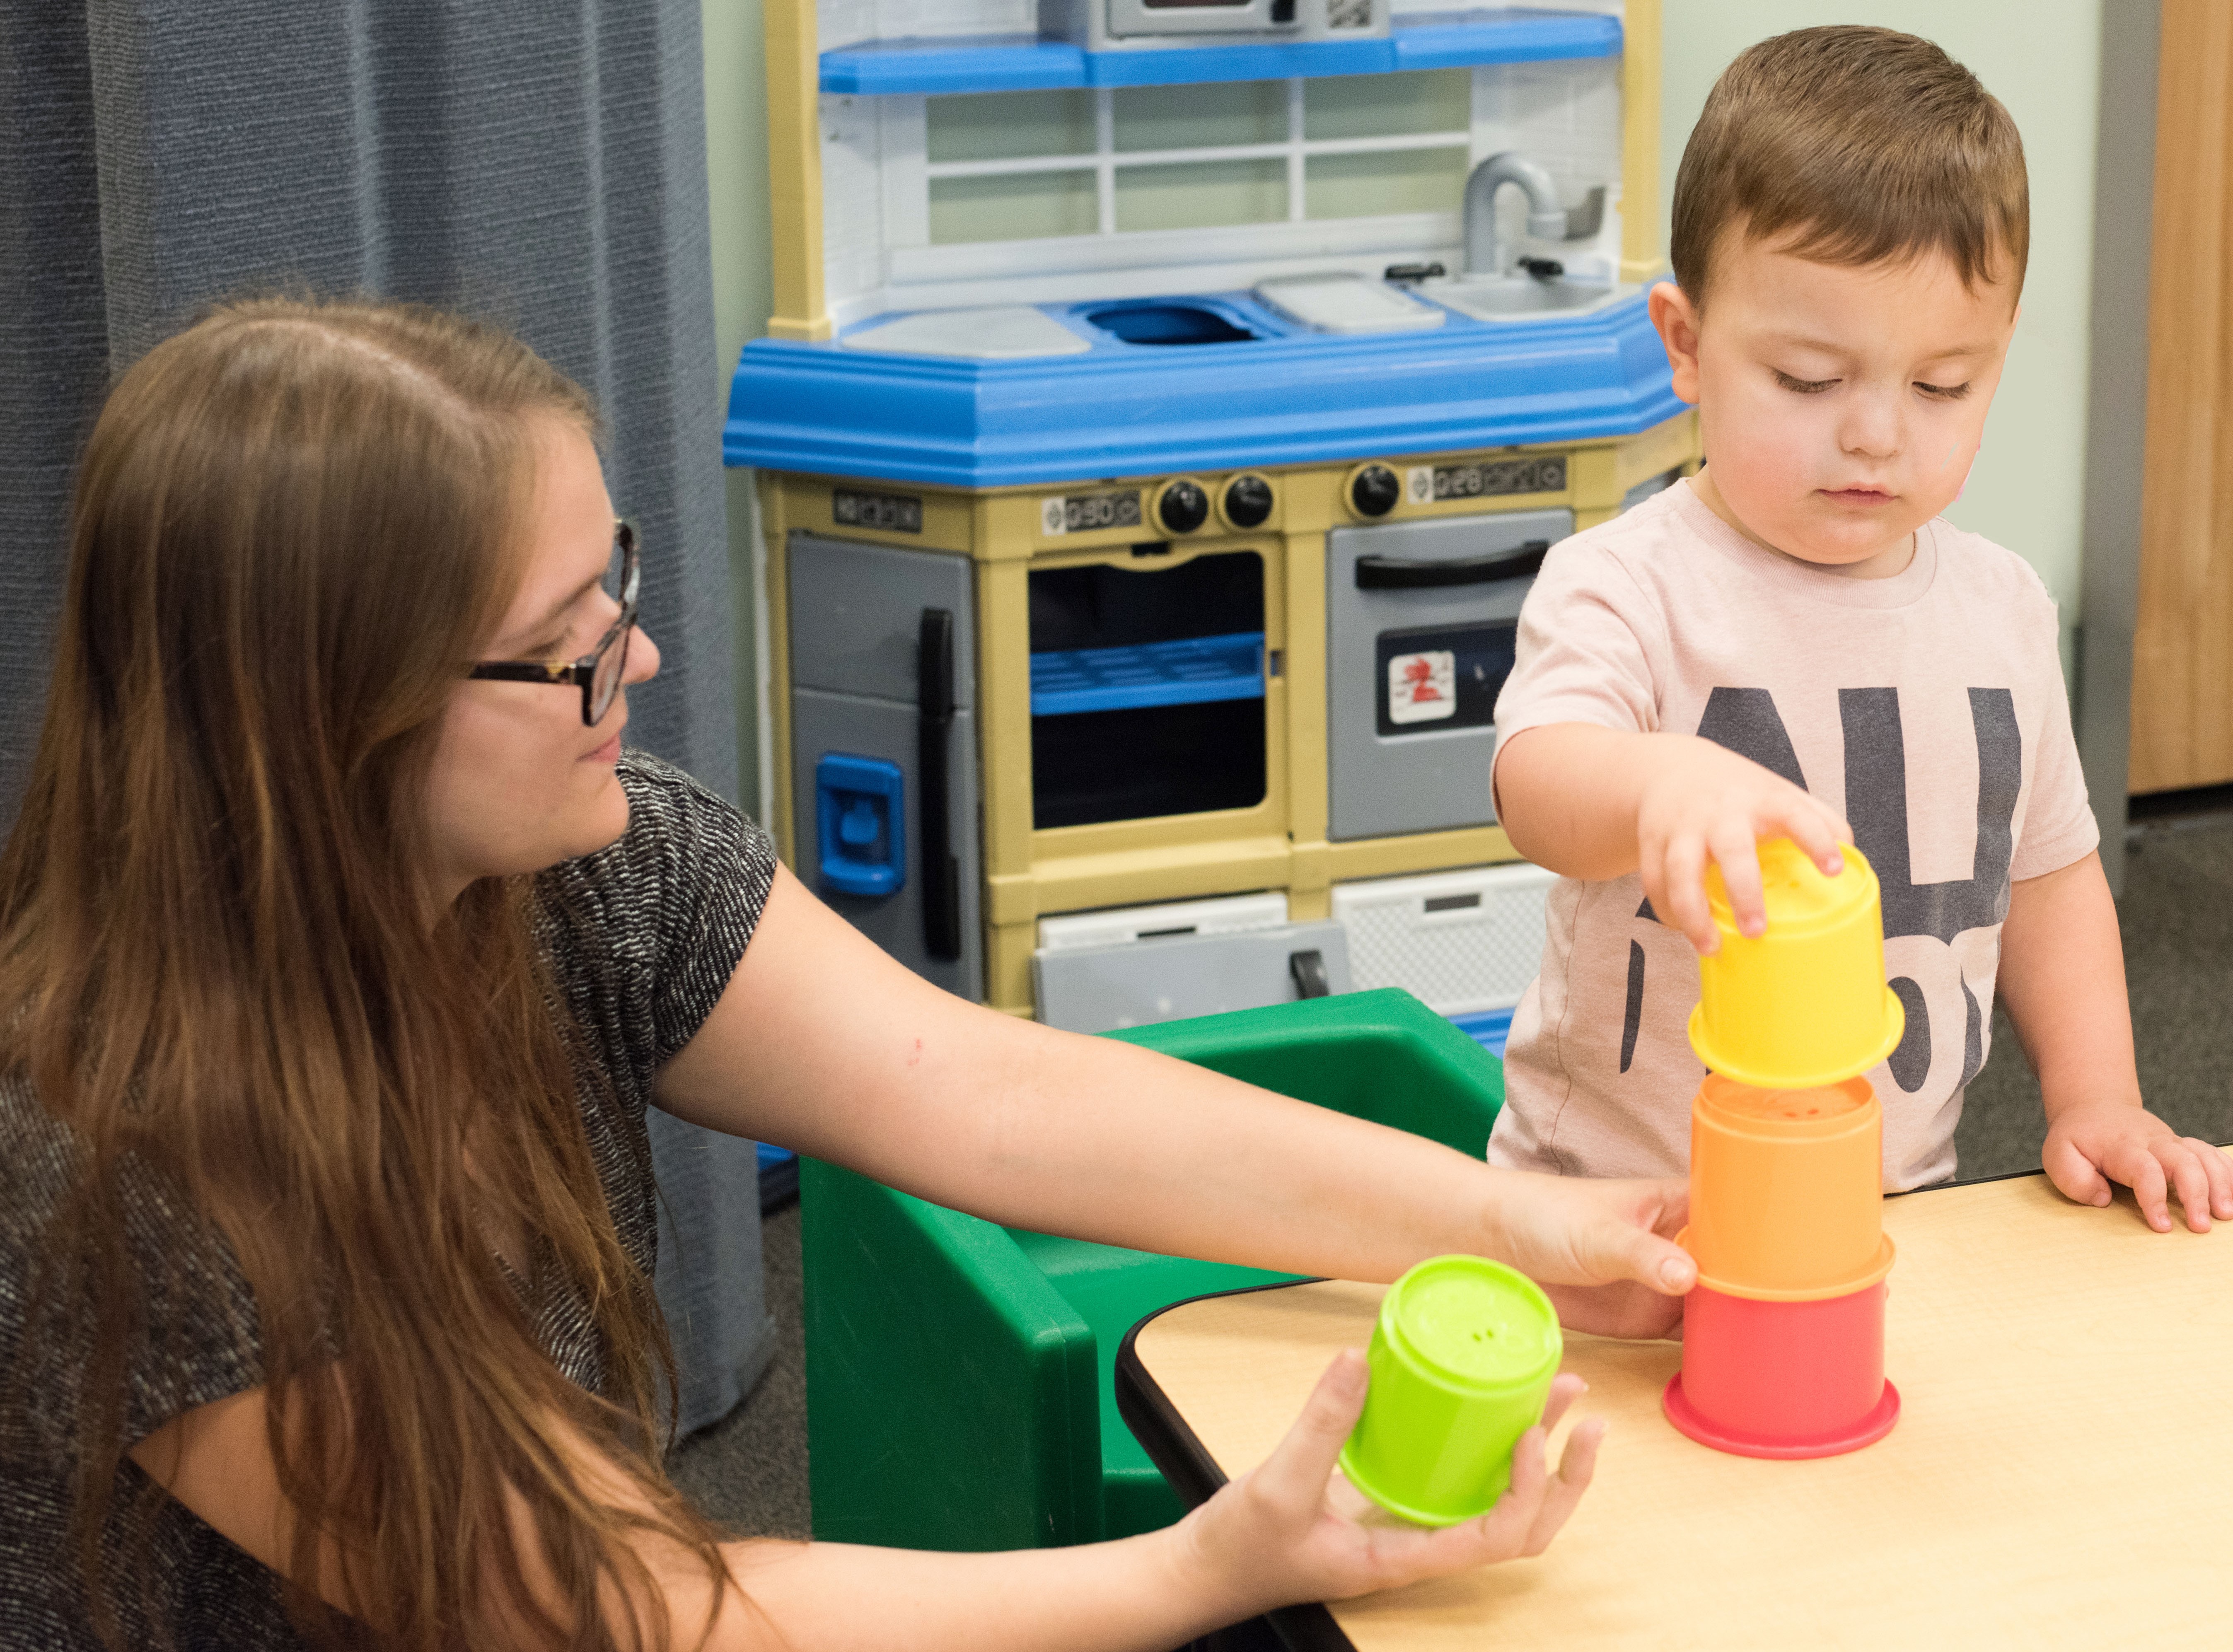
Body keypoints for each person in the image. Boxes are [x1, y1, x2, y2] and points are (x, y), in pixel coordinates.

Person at [0, 297, 1698, 1652]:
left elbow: (979, 1092)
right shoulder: (119, 1181)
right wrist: (1202, 1566)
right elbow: (621, 1611)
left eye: (621, 577)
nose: (639, 654)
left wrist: (1516, 1227)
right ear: (333, 719)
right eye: (569, 641)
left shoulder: (594, 864)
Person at [1486, 26, 2233, 1261]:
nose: (1878, 435)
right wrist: (1662, 778)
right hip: (1612, 1218)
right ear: (1686, 344)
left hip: (1885, 1210)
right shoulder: (1629, 580)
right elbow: (1538, 782)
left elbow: (2049, 876)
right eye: (1808, 378)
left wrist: (2099, 1095)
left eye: (1943, 387)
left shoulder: (2002, 607)